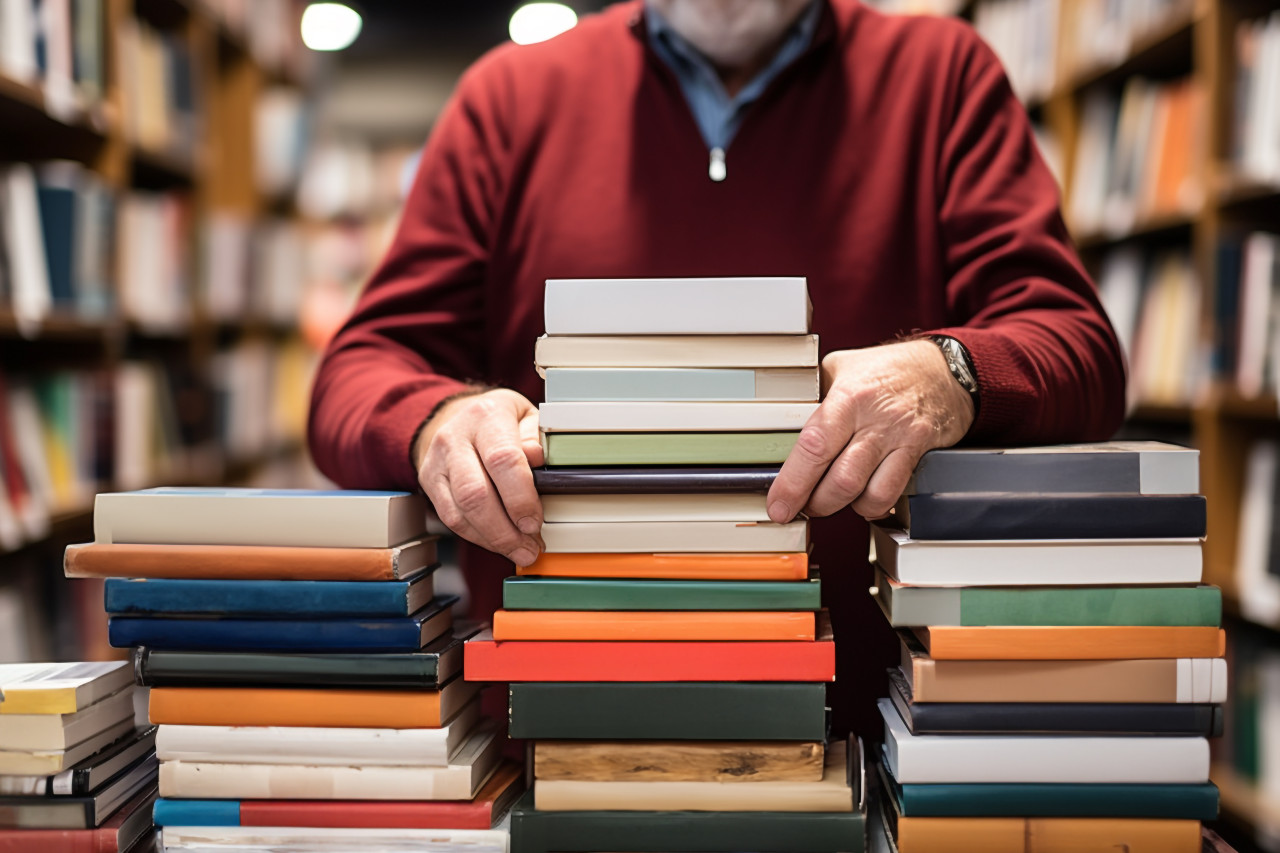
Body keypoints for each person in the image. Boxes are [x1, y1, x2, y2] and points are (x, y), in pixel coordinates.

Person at [308, 0, 1126, 739]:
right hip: (559, 740)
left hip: (876, 743)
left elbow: (1079, 346)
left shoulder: (941, 75)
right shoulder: (510, 98)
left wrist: (950, 372)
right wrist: (437, 422)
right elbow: (358, 369)